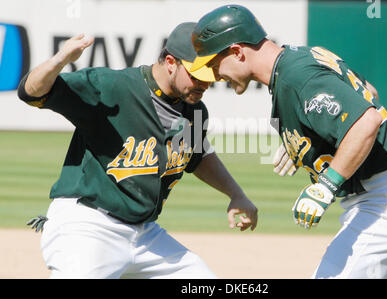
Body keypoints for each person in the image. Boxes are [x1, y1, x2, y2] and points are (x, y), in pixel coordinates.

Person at [188, 4, 387, 279]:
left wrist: (326, 185)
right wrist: (316, 136)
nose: (213, 75)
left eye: (214, 63)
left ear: (237, 52)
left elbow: (367, 120)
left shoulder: (296, 77)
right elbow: (369, 93)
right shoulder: (302, 58)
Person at [18, 22, 258, 279]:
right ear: (170, 62)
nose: (203, 83)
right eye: (196, 74)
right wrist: (61, 59)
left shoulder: (195, 111)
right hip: (88, 224)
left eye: (209, 75)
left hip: (145, 234)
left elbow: (197, 156)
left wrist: (236, 194)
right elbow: (31, 92)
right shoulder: (111, 86)